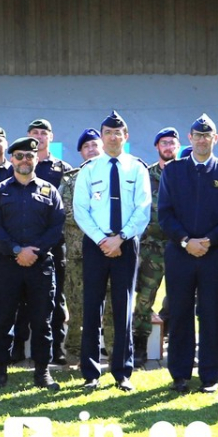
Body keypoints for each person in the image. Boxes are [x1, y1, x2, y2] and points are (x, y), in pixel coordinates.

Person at [158, 114, 218, 394]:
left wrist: (208, 240)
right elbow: (165, 214)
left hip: (214, 255)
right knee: (180, 314)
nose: (202, 139)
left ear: (215, 139)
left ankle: (210, 375)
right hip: (180, 255)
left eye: (208, 135)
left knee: (211, 315)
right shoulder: (173, 171)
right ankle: (180, 375)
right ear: (190, 138)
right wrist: (185, 241)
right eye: (198, 135)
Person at [72, 111, 152, 391]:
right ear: (102, 136)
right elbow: (80, 209)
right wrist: (102, 240)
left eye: (118, 133)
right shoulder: (89, 169)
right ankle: (91, 373)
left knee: (123, 309)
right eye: (108, 133)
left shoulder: (137, 168)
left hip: (126, 245)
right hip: (95, 245)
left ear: (126, 137)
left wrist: (120, 238)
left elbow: (143, 209)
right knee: (92, 308)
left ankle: (122, 372)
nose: (113, 137)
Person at [0, 136, 65, 390]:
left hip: (40, 266)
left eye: (29, 156)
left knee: (42, 321)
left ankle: (42, 372)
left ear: (36, 158)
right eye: (19, 156)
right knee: (4, 320)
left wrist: (35, 252)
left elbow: (57, 226)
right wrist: (18, 250)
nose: (24, 160)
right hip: (8, 265)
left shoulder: (48, 190)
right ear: (11, 159)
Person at [28, 118, 74, 368]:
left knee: (56, 297)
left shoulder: (62, 169)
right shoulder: (22, 165)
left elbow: (65, 208)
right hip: (24, 242)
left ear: (51, 137)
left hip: (54, 243)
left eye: (44, 133)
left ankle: (57, 348)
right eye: (34, 133)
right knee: (21, 297)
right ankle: (19, 348)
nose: (39, 137)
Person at [135, 127, 178, 365]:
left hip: (178, 246)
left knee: (181, 298)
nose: (168, 146)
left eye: (172, 142)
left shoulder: (184, 173)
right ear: (157, 147)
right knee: (144, 298)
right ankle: (139, 344)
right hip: (150, 247)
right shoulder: (145, 174)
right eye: (164, 143)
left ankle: (177, 342)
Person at [57, 129, 100, 366]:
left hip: (110, 251)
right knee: (76, 306)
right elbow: (65, 211)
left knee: (112, 307)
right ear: (81, 153)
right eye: (87, 147)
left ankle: (113, 351)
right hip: (78, 253)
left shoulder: (113, 175)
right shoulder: (70, 179)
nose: (91, 150)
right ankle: (74, 351)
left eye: (95, 145)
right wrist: (98, 221)